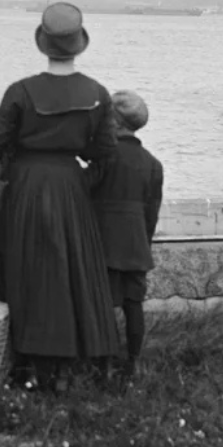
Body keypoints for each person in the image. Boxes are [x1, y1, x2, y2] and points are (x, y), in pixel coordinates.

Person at [0, 1, 121, 391]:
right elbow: (104, 151)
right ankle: (73, 361)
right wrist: (78, 179)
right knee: (76, 272)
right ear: (79, 45)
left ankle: (26, 361)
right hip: (70, 186)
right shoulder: (97, 92)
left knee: (25, 270)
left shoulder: (21, 90)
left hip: (24, 184)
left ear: (43, 44)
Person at [90, 90, 165, 378]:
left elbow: (85, 189)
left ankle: (104, 364)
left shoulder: (105, 156)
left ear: (114, 121)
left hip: (103, 243)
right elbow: (152, 213)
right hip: (135, 245)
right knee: (134, 306)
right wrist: (143, 243)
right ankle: (133, 361)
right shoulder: (152, 164)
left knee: (103, 305)